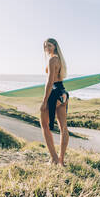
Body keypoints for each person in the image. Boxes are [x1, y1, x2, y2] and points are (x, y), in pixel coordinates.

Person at [40, 38, 69, 166]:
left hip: (54, 93)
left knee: (44, 125)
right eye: (45, 46)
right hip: (63, 93)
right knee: (63, 127)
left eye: (50, 45)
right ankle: (61, 160)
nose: (47, 48)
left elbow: (50, 81)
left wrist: (44, 101)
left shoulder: (52, 60)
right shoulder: (60, 60)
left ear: (55, 46)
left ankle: (54, 159)